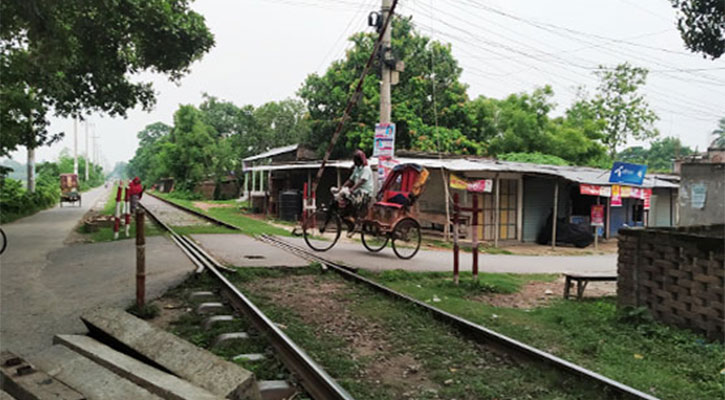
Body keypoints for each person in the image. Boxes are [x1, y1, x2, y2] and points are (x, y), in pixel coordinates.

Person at [342, 149, 373, 237]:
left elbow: (361, 181)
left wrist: (352, 189)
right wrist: (342, 187)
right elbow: (351, 180)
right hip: (357, 191)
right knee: (343, 197)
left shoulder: (366, 169)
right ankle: (349, 218)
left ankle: (355, 219)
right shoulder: (356, 168)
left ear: (359, 160)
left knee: (352, 199)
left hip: (365, 193)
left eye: (355, 160)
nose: (354, 161)